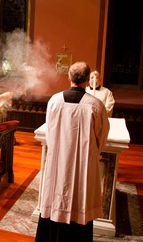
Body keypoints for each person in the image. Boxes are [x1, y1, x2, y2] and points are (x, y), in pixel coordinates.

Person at [35, 61, 110, 242]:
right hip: (84, 163)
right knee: (80, 198)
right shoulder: (95, 105)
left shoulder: (54, 100)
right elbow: (102, 136)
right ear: (86, 80)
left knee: (55, 196)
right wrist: (91, 154)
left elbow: (50, 131)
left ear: (69, 78)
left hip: (57, 161)